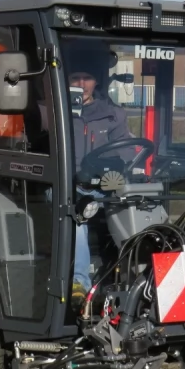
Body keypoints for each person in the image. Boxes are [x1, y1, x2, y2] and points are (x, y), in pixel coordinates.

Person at [67, 61, 133, 310]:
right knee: (78, 216)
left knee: (136, 209)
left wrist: (116, 170)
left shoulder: (113, 114)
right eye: (76, 77)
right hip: (66, 186)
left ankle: (133, 279)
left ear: (96, 82)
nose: (82, 84)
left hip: (102, 186)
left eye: (87, 77)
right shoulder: (52, 110)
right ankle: (78, 284)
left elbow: (126, 149)